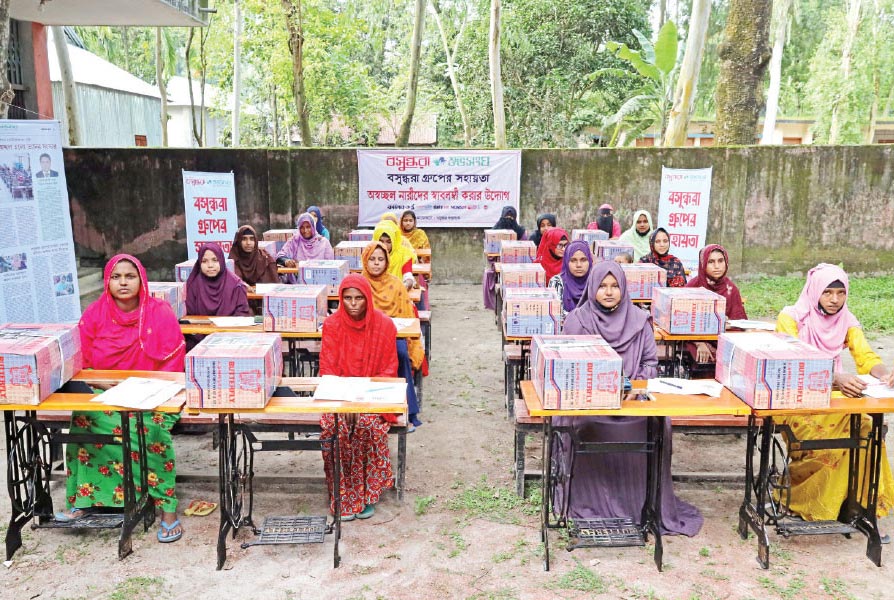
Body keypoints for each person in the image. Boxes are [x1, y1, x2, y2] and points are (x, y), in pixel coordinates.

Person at [554, 261, 702, 536]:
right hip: (589, 403)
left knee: (657, 424)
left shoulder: (639, 320)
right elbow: (569, 363)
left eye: (614, 286)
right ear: (592, 288)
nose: (609, 292)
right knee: (582, 425)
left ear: (623, 289)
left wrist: (632, 387)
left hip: (630, 400)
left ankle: (639, 507)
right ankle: (590, 504)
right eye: (602, 286)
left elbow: (649, 363)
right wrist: (598, 389)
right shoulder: (578, 320)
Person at [58, 254, 186, 543]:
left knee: (150, 427)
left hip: (156, 393)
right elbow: (85, 365)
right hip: (108, 391)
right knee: (84, 418)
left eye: (130, 276)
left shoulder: (160, 312)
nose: (124, 282)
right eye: (117, 277)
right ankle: (85, 500)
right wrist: (109, 385)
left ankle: (166, 508)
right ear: (107, 281)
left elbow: (174, 364)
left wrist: (145, 388)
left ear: (141, 279)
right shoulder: (94, 314)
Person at [775, 264, 894, 525]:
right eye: (828, 292)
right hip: (798, 402)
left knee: (865, 429)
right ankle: (807, 499)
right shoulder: (791, 318)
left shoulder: (847, 320)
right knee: (835, 440)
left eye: (841, 293)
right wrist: (833, 378)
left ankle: (860, 507)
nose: (835, 300)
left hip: (833, 401)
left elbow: (865, 356)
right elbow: (791, 364)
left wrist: (886, 374)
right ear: (815, 290)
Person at [319, 274, 398, 520]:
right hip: (338, 398)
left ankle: (365, 494)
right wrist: (345, 404)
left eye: (359, 298)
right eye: (348, 298)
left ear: (368, 299)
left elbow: (387, 371)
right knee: (336, 427)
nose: (353, 304)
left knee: (367, 425)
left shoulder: (384, 326)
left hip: (372, 398)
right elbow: (328, 371)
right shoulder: (332, 326)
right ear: (341, 299)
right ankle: (341, 494)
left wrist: (361, 402)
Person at [361, 241, 425, 428]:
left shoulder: (396, 284)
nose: (376, 263)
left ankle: (407, 410)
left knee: (401, 355)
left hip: (392, 335)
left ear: (387, 261)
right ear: (365, 260)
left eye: (381, 259)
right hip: (365, 335)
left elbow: (406, 314)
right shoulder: (360, 284)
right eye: (372, 259)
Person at [685, 244, 747, 369]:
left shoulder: (731, 289)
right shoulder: (693, 287)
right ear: (703, 264)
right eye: (711, 262)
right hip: (693, 339)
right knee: (698, 357)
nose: (717, 266)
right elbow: (681, 321)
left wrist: (727, 323)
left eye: (720, 261)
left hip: (723, 340)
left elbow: (739, 324)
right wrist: (700, 342)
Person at [484, 206, 526, 310]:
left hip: (516, 264)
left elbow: (524, 249)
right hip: (497, 263)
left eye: (511, 218)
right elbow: (489, 254)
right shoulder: (494, 233)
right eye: (506, 217)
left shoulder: (521, 232)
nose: (508, 220)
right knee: (488, 273)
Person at [278, 213, 335, 282]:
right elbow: (280, 256)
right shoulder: (294, 241)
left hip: (320, 283)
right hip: (297, 285)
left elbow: (331, 266)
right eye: (302, 227)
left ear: (313, 227)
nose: (305, 231)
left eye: (308, 227)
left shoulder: (323, 242)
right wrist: (286, 261)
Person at [547, 239, 593, 322]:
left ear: (589, 261)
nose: (579, 265)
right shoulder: (557, 282)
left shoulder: (596, 281)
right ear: (566, 262)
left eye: (583, 260)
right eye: (573, 260)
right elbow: (556, 314)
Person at [228, 225, 279, 290]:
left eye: (252, 239)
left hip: (262, 298)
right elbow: (234, 281)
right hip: (241, 297)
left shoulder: (265, 258)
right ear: (238, 241)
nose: (248, 243)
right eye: (244, 239)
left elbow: (272, 286)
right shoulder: (233, 259)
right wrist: (244, 286)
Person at [372, 218, 417, 290]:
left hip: (397, 292)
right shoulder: (370, 254)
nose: (384, 245)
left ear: (394, 241)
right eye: (381, 241)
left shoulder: (404, 254)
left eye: (389, 242)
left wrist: (406, 285)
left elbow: (408, 276)